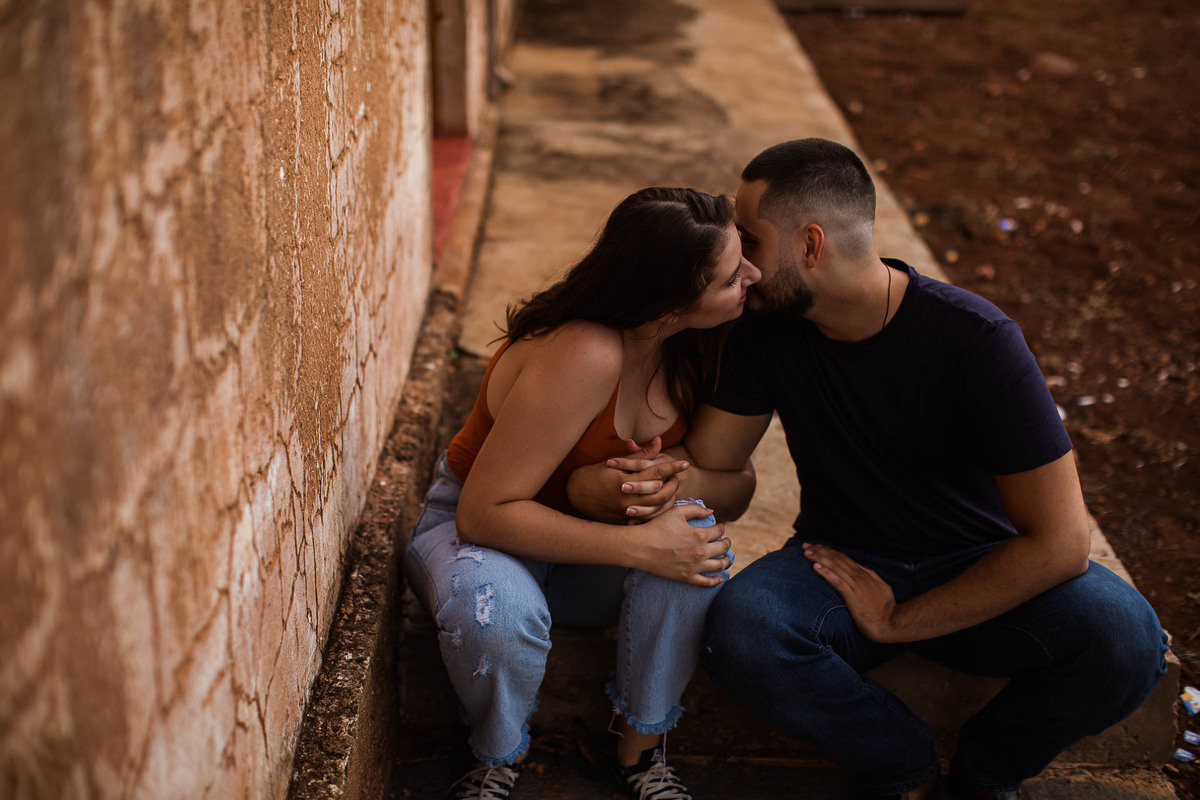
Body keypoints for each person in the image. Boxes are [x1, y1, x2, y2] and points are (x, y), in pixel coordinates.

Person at [566, 139, 1168, 799]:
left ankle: (987, 773)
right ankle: (903, 769)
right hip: (837, 564)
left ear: (812, 245)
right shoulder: (765, 330)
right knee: (743, 629)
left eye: (750, 240)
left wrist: (899, 621)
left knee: (1128, 638)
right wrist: (642, 479)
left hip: (980, 565)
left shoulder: (978, 341)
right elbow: (715, 465)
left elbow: (1061, 543)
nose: (739, 260)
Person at [404, 186, 759, 800]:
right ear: (671, 304)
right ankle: (496, 757)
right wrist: (641, 548)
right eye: (732, 276)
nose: (752, 275)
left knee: (696, 540)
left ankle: (640, 753)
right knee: (495, 612)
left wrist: (671, 482)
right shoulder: (586, 350)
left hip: (581, 561)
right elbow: (484, 514)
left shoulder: (697, 347)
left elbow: (738, 487)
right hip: (483, 543)